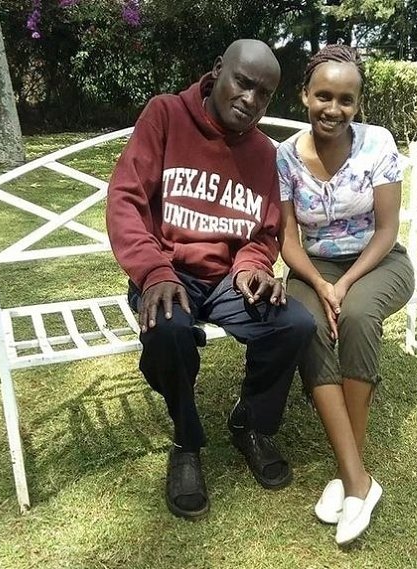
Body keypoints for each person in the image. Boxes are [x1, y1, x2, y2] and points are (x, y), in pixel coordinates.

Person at [106, 39, 316, 521]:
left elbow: (263, 232)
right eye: (242, 82)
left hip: (226, 279)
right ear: (218, 69)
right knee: (168, 331)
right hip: (167, 271)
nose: (250, 99)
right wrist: (153, 271)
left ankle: (251, 424)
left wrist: (253, 268)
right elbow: (125, 200)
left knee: (294, 325)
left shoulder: (262, 152)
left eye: (264, 94)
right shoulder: (165, 115)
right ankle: (186, 442)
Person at [277, 44, 415, 545]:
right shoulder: (284, 157)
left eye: (346, 100)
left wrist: (344, 283)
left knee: (356, 315)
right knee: (307, 322)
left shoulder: (378, 143)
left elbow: (387, 230)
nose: (333, 109)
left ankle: (348, 475)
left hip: (378, 262)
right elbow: (288, 240)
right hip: (312, 267)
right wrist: (318, 283)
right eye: (323, 96)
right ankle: (358, 479)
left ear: (358, 104)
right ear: (304, 96)